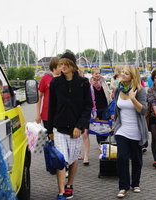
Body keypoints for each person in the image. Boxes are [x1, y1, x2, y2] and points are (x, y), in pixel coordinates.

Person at [47, 52, 92, 200]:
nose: (63, 66)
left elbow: (88, 107)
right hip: (59, 128)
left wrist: (80, 126)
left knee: (72, 159)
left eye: (66, 64)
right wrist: (49, 130)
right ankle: (60, 193)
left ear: (73, 66)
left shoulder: (83, 83)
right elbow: (51, 107)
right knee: (61, 160)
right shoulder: (55, 83)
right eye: (61, 64)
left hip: (76, 129)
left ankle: (69, 185)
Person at [113, 66, 148, 198]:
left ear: (132, 76)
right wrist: (115, 123)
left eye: (126, 73)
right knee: (121, 157)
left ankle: (135, 183)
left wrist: (133, 98)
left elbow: (143, 110)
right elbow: (117, 109)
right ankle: (123, 187)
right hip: (122, 130)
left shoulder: (140, 91)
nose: (123, 74)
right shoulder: (118, 90)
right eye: (122, 72)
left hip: (137, 130)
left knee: (137, 159)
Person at [35, 57, 61, 136]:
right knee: (50, 137)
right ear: (54, 67)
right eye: (60, 66)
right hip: (47, 115)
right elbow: (39, 97)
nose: (62, 68)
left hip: (60, 114)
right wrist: (38, 114)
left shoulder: (63, 79)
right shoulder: (45, 78)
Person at [90, 68, 112, 145]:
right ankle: (100, 142)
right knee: (97, 125)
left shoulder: (103, 82)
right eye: (96, 73)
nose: (98, 75)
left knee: (105, 123)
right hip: (95, 108)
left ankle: (103, 139)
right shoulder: (90, 84)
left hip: (105, 106)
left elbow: (108, 92)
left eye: (99, 73)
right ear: (92, 74)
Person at [77, 65, 91, 165]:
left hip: (84, 112)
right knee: (76, 134)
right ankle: (78, 152)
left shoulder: (86, 82)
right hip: (75, 113)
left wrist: (92, 110)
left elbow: (91, 96)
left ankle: (86, 155)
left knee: (85, 134)